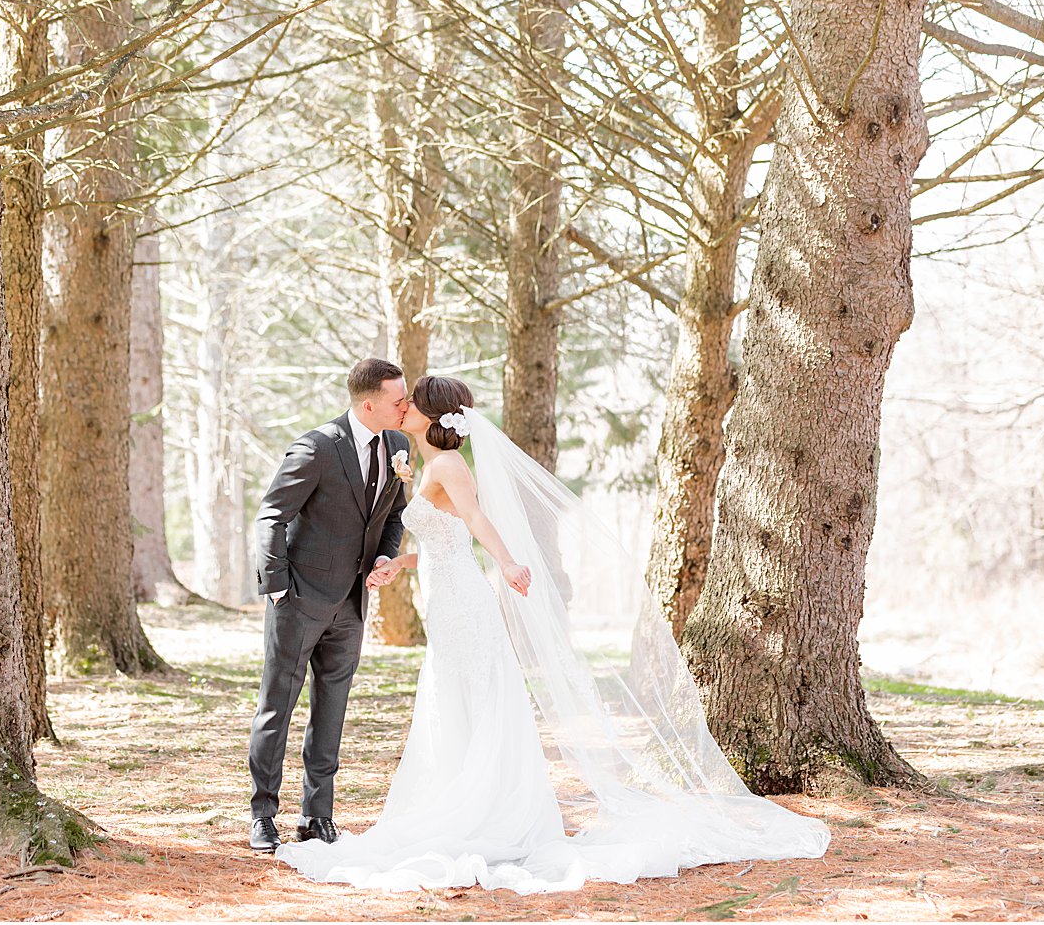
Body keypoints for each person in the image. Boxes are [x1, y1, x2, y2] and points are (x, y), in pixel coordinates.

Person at [274, 375, 832, 893]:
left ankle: (480, 808)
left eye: (413, 401)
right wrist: (403, 563)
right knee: (454, 699)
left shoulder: (447, 466)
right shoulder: (426, 463)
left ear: (433, 415)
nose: (405, 406)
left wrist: (511, 563)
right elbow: (446, 538)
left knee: (471, 696)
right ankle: (459, 794)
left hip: (465, 603)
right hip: (446, 596)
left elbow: (475, 524)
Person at [246, 359, 410, 853]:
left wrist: (385, 555)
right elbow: (271, 515)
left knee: (331, 712)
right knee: (277, 708)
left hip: (353, 604)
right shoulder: (317, 447)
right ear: (369, 403)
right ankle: (263, 815)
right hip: (298, 601)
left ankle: (318, 816)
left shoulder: (399, 447)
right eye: (398, 399)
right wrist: (277, 588)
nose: (407, 406)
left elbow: (393, 516)